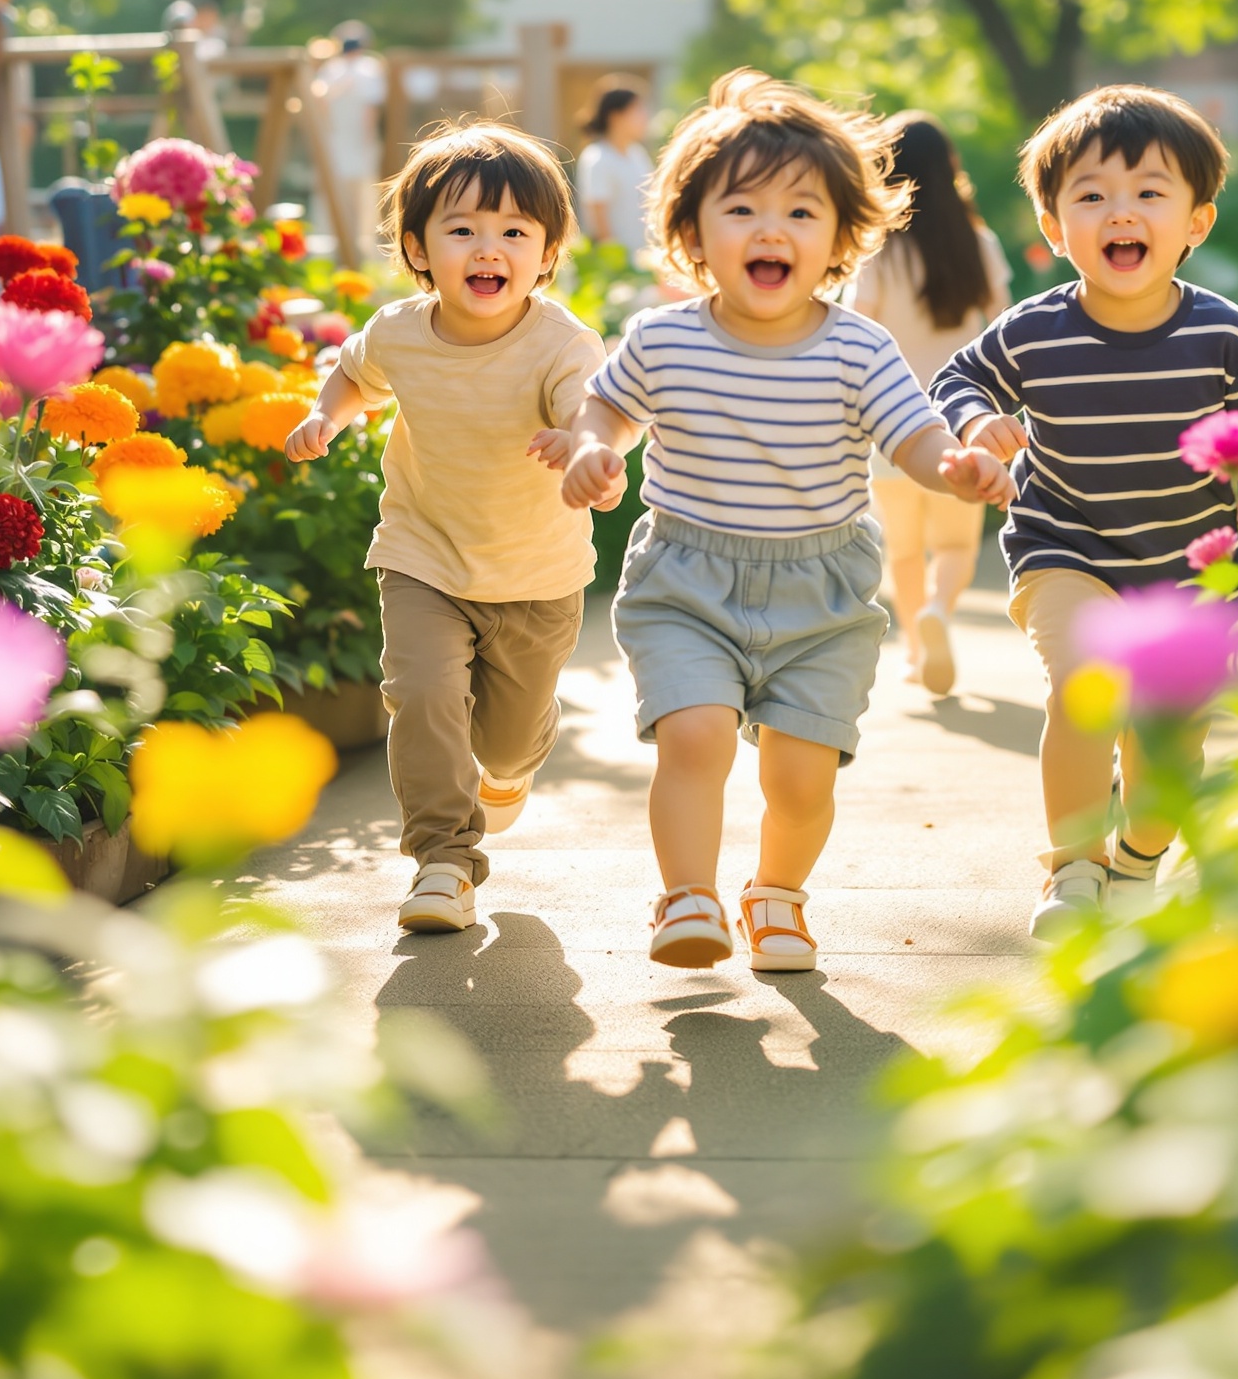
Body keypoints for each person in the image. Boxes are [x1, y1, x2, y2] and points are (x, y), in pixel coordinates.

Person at [550, 71, 1015, 974]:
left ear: (844, 238)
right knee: (695, 734)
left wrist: (954, 467)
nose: (771, 230)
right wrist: (591, 450)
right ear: (691, 232)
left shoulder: (858, 346)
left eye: (802, 214)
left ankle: (777, 894)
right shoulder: (662, 338)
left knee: (800, 777)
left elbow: (912, 433)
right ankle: (688, 896)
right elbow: (606, 410)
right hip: (688, 576)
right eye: (742, 210)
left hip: (822, 588)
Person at [929, 85, 1238, 939]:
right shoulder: (1033, 331)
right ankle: (1073, 868)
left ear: (1196, 223)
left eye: (1149, 193)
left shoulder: (1223, 333)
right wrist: (977, 420)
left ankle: (1138, 858)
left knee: (1165, 744)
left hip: (1192, 566)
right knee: (1083, 689)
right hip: (1068, 549)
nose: (1120, 213)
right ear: (1054, 228)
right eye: (1091, 196)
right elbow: (956, 378)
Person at [283, 122, 606, 935]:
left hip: (535, 574)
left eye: (513, 232)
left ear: (547, 251)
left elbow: (593, 415)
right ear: (419, 248)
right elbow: (354, 373)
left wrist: (583, 450)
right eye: (461, 229)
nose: (486, 248)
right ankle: (443, 862)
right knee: (421, 695)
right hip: (422, 552)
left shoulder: (562, 344)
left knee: (504, 745)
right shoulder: (399, 330)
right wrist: (328, 417)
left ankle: (511, 766)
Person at [850, 113, 1011, 695]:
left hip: (890, 421)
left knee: (905, 549)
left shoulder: (879, 252)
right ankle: (939, 612)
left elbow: (855, 329)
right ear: (950, 167)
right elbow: (1004, 327)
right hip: (962, 419)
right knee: (954, 544)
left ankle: (918, 652)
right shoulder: (979, 242)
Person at [310, 22, 388, 261]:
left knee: (334, 191)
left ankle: (333, 241)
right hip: (358, 141)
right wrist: (368, 139)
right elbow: (370, 109)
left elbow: (319, 103)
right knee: (362, 194)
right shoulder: (370, 69)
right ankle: (358, 244)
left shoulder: (330, 70)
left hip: (335, 140)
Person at [574, 78, 654, 250]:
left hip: (644, 258)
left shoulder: (637, 154)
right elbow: (599, 218)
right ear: (616, 116)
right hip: (619, 267)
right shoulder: (598, 158)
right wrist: (617, 262)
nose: (645, 116)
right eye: (637, 110)